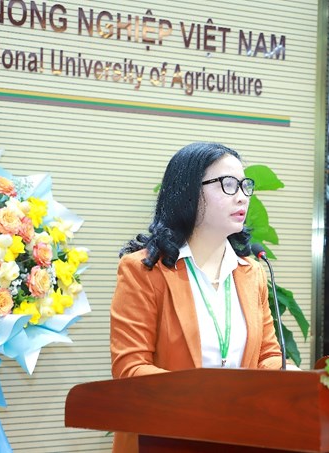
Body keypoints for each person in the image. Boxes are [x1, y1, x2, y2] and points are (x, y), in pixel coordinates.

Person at [109, 142, 290, 453]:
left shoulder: (252, 273)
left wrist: (294, 376)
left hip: (240, 438)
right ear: (189, 192)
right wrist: (208, 401)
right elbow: (130, 369)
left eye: (245, 185)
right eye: (228, 184)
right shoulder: (144, 271)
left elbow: (267, 357)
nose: (242, 196)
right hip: (163, 439)